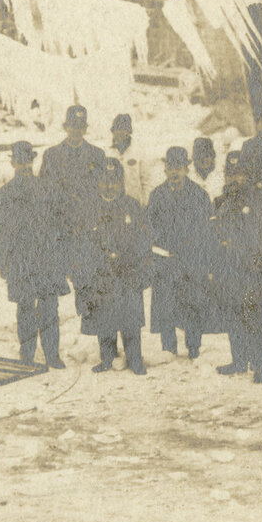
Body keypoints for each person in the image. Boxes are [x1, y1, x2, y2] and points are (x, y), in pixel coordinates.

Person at [0, 141, 66, 368]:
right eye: (20, 161)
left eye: (28, 161)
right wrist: (3, 261)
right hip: (19, 260)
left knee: (49, 307)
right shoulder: (3, 194)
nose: (25, 165)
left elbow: (60, 226)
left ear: (33, 161)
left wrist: (61, 257)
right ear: (12, 162)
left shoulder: (49, 190)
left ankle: (52, 355)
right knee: (24, 308)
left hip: (46, 259)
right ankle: (27, 354)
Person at [77, 159, 154, 373]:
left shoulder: (132, 206)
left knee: (130, 319)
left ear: (121, 183)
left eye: (114, 181)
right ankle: (107, 358)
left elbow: (143, 240)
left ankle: (135, 359)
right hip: (102, 274)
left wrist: (143, 269)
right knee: (104, 318)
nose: (109, 186)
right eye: (104, 181)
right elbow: (83, 243)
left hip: (127, 273)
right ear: (98, 182)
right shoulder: (89, 208)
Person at [147, 144, 216, 360]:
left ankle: (194, 347)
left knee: (192, 302)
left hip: (191, 259)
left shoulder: (199, 195)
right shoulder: (157, 195)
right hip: (166, 259)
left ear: (187, 169)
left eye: (179, 167)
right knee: (165, 303)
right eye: (170, 167)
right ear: (165, 169)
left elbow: (206, 229)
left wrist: (193, 251)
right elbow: (150, 227)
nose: (174, 172)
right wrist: (161, 249)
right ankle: (168, 348)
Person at [208, 148, 262, 383]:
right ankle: (238, 360)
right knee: (233, 316)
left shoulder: (259, 200)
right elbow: (214, 234)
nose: (234, 179)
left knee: (253, 318)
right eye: (230, 174)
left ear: (248, 174)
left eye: (239, 174)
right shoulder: (220, 202)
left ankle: (259, 365)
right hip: (229, 269)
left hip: (251, 269)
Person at [39, 104, 105, 289]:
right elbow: (44, 192)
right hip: (61, 228)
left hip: (86, 228)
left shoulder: (97, 155)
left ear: (86, 128)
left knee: (86, 282)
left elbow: (102, 193)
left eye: (80, 126)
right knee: (56, 284)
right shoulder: (52, 155)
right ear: (65, 126)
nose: (77, 130)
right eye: (73, 125)